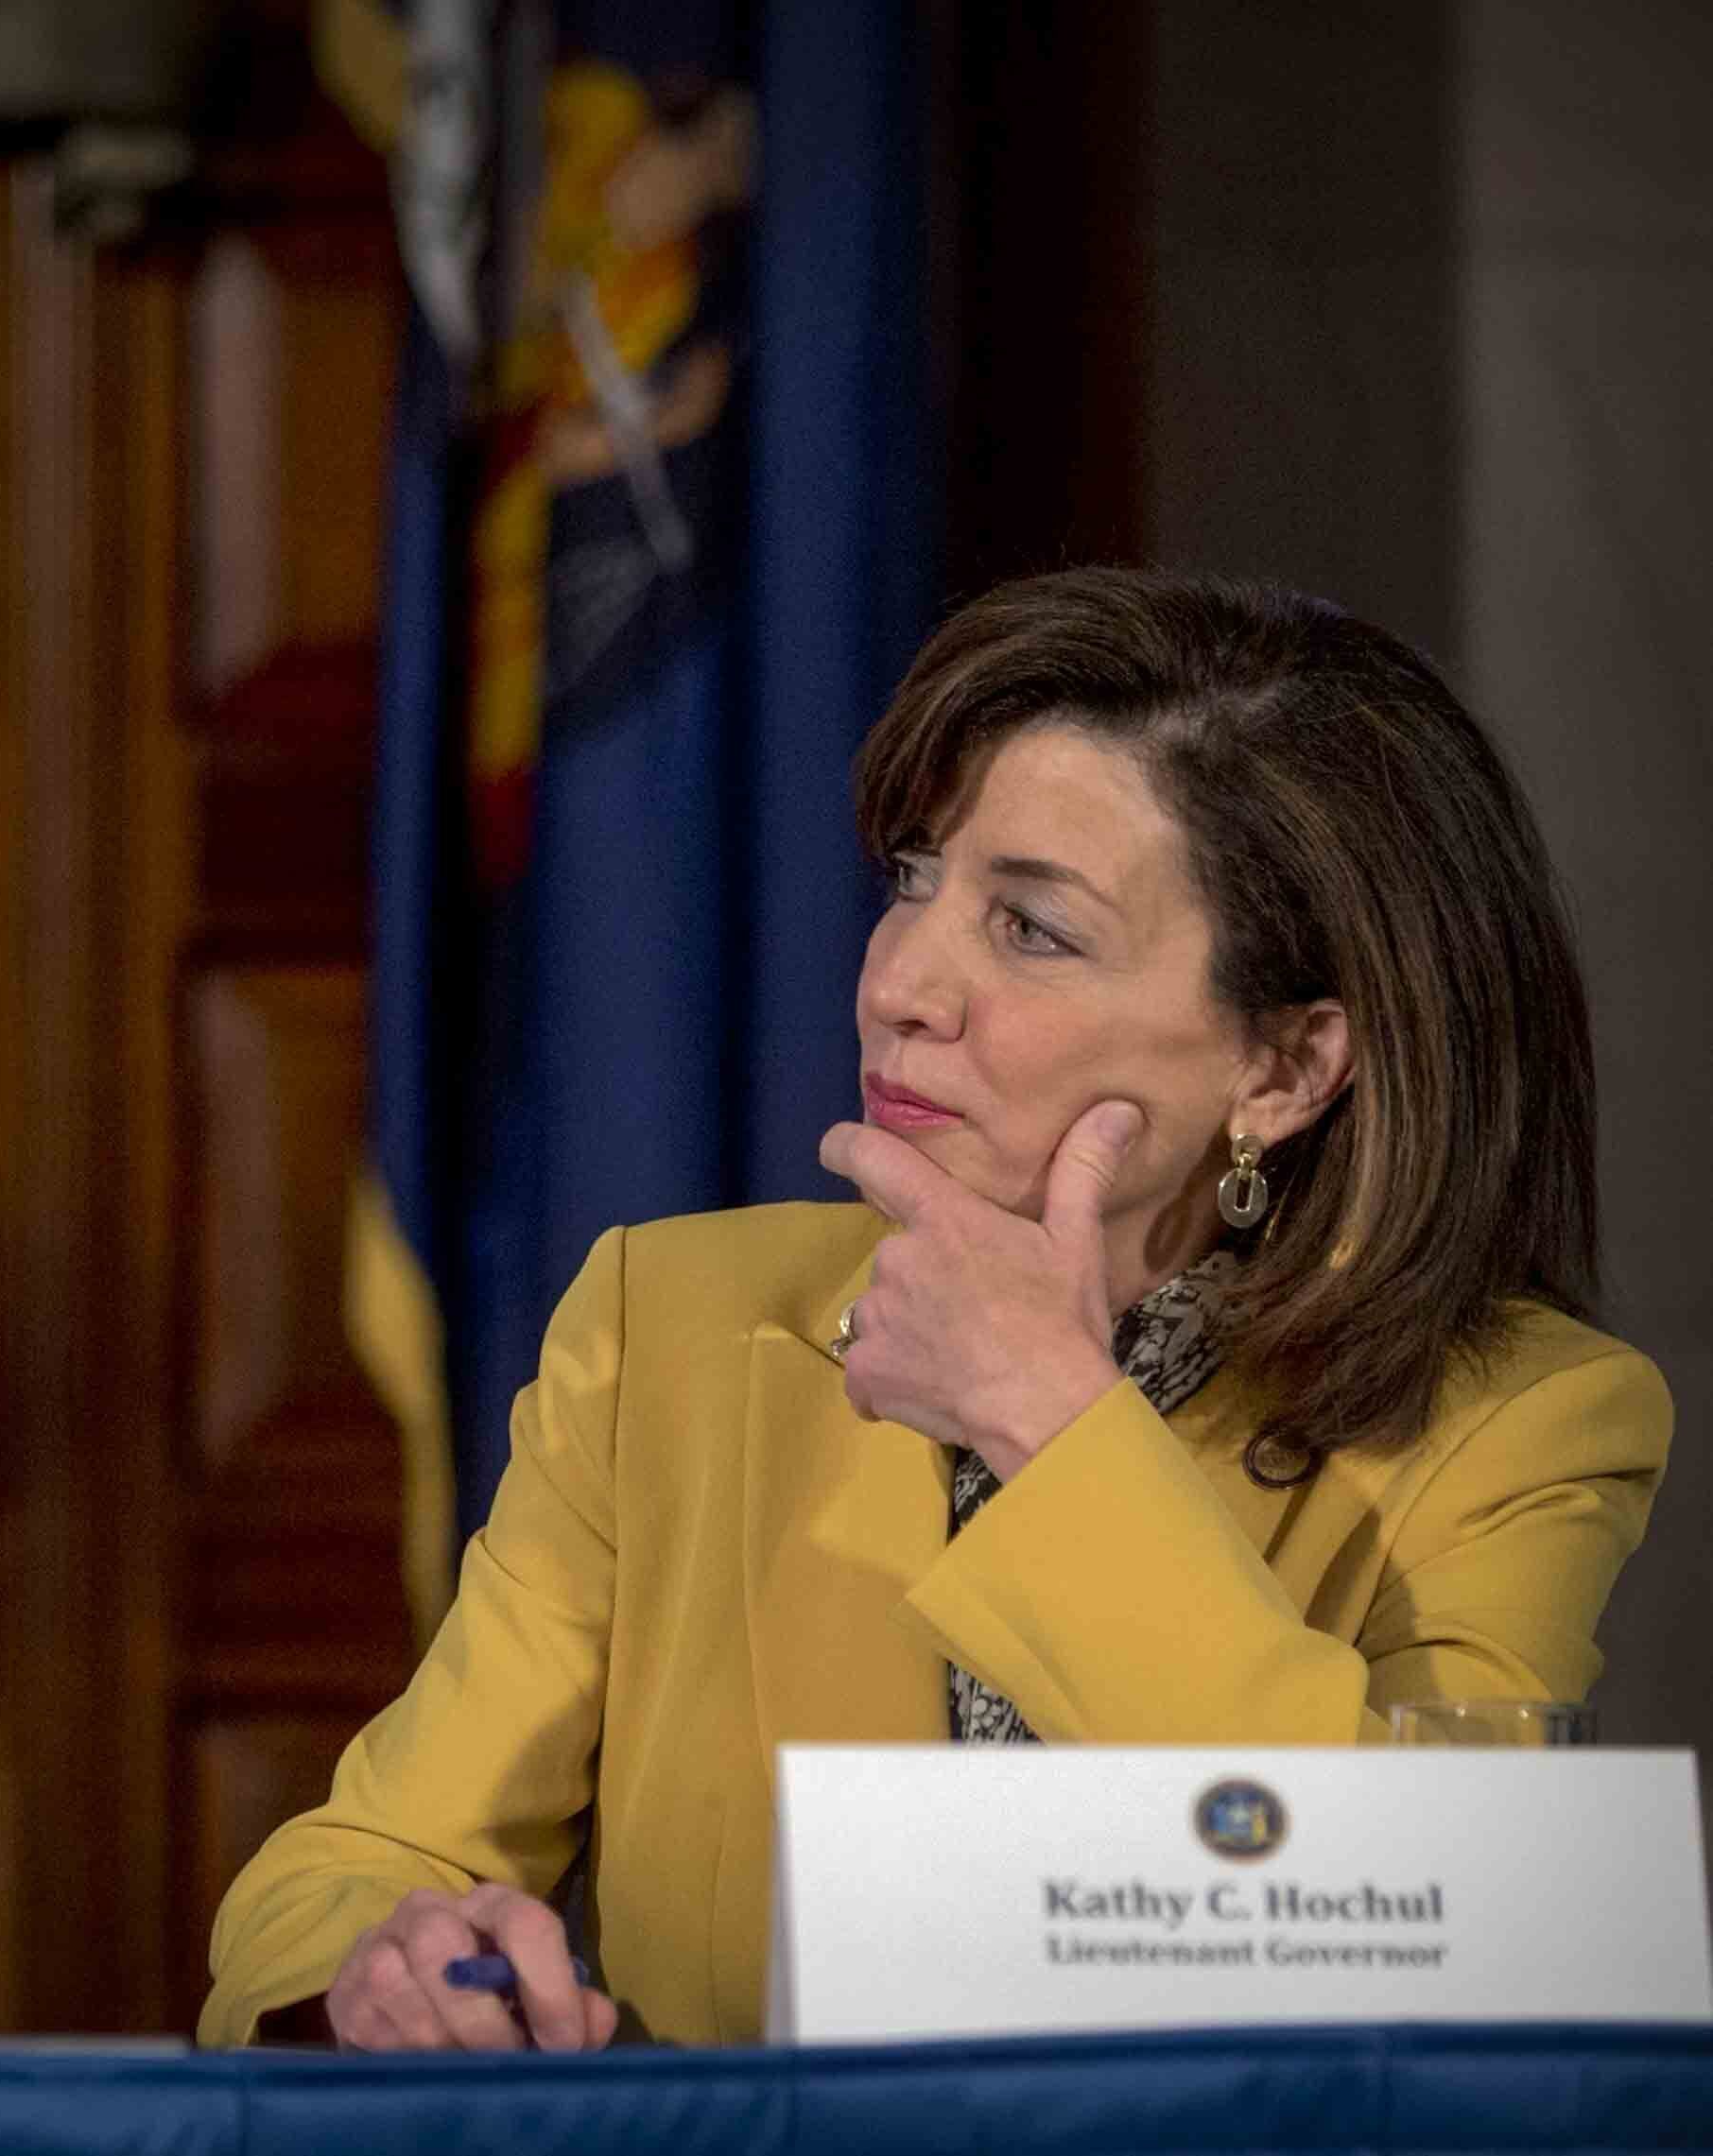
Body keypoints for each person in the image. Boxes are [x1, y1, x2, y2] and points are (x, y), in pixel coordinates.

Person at [201, 567, 1671, 2053]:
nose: (900, 980)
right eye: (914, 879)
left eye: (1031, 930)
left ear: (1285, 1069)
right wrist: (382, 1966)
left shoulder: (1524, 1424)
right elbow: (349, 1872)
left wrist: (1054, 1419)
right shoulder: (671, 1331)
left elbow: (1455, 1938)